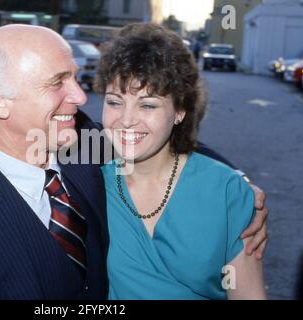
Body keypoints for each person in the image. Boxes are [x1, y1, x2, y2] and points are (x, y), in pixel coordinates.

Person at [0, 24, 267, 300]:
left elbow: (156, 139)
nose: (81, 97)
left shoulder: (83, 152)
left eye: (77, 79)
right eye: (58, 83)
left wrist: (238, 186)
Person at [96, 23, 267, 299]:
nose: (126, 121)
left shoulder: (226, 192)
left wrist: (241, 187)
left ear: (180, 112)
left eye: (148, 105)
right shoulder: (89, 186)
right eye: (115, 102)